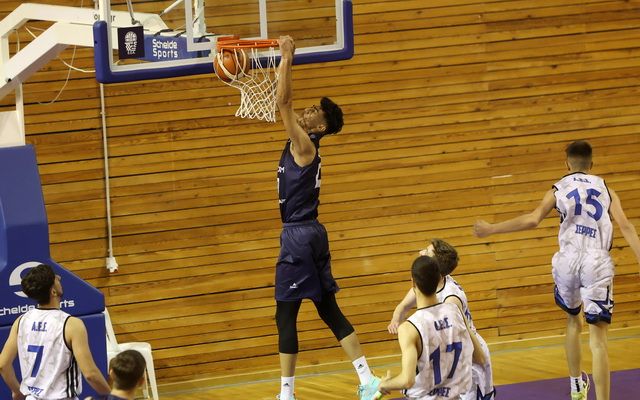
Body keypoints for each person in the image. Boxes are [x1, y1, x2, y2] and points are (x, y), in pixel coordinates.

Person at [473, 140, 640, 400]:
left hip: (567, 261)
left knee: (573, 320)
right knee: (598, 340)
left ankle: (576, 387)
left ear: (567, 164)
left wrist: (492, 229)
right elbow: (626, 226)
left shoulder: (558, 188)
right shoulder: (605, 188)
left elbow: (532, 219)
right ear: (591, 164)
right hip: (596, 261)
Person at [273, 35, 379, 400]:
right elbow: (284, 102)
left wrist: (287, 57)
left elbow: (283, 102)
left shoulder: (304, 145)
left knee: (285, 316)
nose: (309, 110)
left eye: (316, 112)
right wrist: (282, 65)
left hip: (298, 237)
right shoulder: (303, 142)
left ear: (320, 128)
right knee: (329, 310)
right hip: (313, 233)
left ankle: (287, 393)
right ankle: (367, 379)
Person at [388, 239, 496, 399]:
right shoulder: (430, 283)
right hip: (451, 353)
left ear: (435, 269)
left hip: (468, 354)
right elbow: (403, 306)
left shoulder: (451, 301)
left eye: (426, 252)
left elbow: (473, 349)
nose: (420, 253)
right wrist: (396, 320)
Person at [0, 263, 111, 400]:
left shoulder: (21, 321)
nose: (59, 277)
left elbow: (3, 365)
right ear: (53, 291)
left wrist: (17, 391)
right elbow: (90, 374)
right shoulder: (71, 324)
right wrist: (112, 395)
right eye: (55, 278)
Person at [377, 255, 477, 399]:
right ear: (439, 280)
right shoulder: (455, 311)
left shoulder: (409, 328)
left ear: (413, 283)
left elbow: (407, 380)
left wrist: (385, 384)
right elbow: (479, 356)